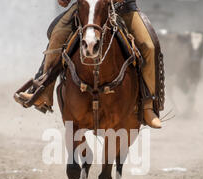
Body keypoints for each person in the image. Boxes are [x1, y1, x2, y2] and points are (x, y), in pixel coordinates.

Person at [16, 0, 162, 129]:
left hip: (124, 9)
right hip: (88, 6)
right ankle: (44, 91)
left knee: (149, 46)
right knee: (58, 34)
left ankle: (148, 105)